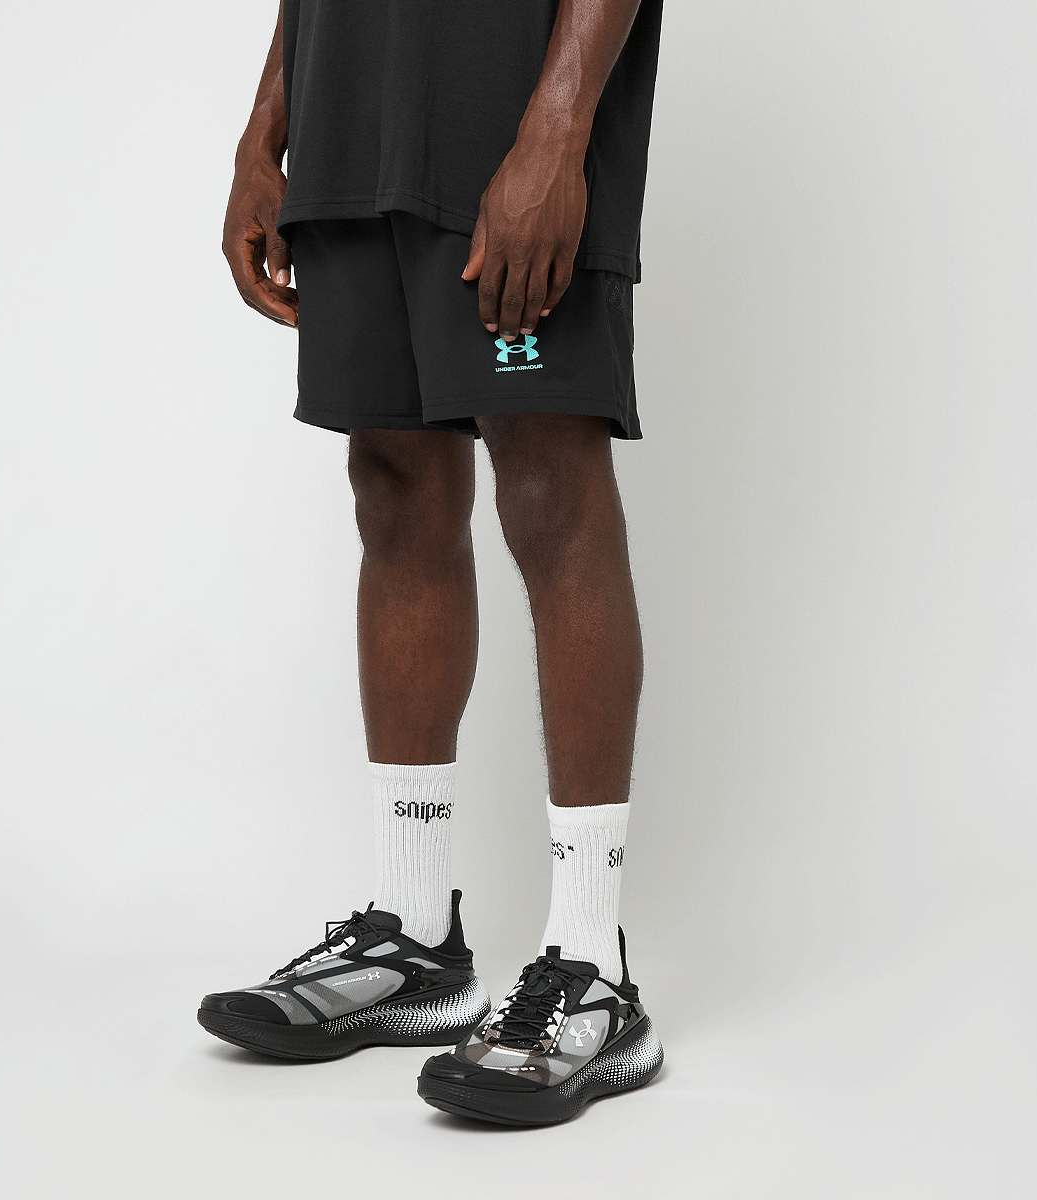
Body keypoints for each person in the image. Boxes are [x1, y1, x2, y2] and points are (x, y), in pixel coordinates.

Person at [197, 0, 665, 1126]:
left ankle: (593, 965)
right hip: (347, 127)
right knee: (395, 485)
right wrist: (266, 132)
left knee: (549, 487)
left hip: (505, 115)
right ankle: (413, 942)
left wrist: (557, 130)